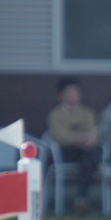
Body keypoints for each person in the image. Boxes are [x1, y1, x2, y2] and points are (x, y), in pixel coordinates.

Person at [46, 76, 102, 211]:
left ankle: (81, 199)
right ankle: (100, 167)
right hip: (65, 152)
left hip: (85, 151)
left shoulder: (87, 113)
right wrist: (78, 139)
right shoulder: (55, 114)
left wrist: (90, 138)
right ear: (61, 96)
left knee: (88, 157)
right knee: (90, 156)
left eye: (75, 92)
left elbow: (93, 130)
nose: (73, 96)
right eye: (69, 93)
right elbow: (58, 134)